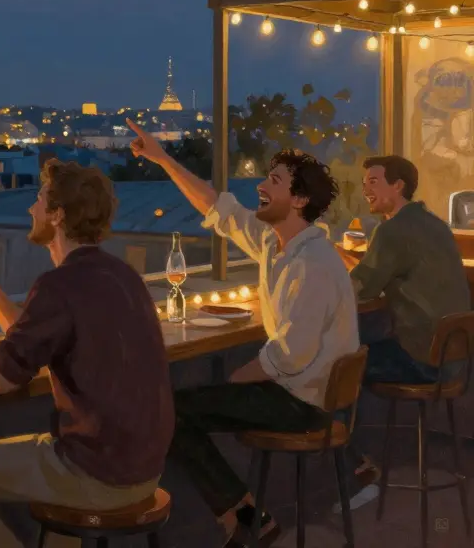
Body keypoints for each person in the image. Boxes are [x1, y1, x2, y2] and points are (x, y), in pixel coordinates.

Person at [127, 119, 360, 547]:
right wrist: (162, 158)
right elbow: (219, 209)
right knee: (180, 406)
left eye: (274, 181)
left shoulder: (311, 265)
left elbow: (290, 356)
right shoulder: (278, 244)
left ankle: (247, 518)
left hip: (303, 402)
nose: (261, 186)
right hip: (302, 389)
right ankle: (247, 515)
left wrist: (233, 381)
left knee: (172, 412)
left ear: (299, 199)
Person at [0, 159, 174, 548]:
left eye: (38, 200)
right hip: (146, 467)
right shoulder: (124, 276)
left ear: (57, 215)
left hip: (97, 471)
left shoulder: (59, 285)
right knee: (52, 469)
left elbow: (1, 380)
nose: (30, 209)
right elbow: (39, 334)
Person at [333, 155, 471, 510]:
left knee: (336, 368)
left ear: (399, 186)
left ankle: (357, 477)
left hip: (423, 362)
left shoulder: (392, 230)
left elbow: (359, 288)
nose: (366, 189)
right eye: (365, 182)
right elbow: (381, 272)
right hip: (454, 360)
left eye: (374, 182)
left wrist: (327, 270)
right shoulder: (432, 224)